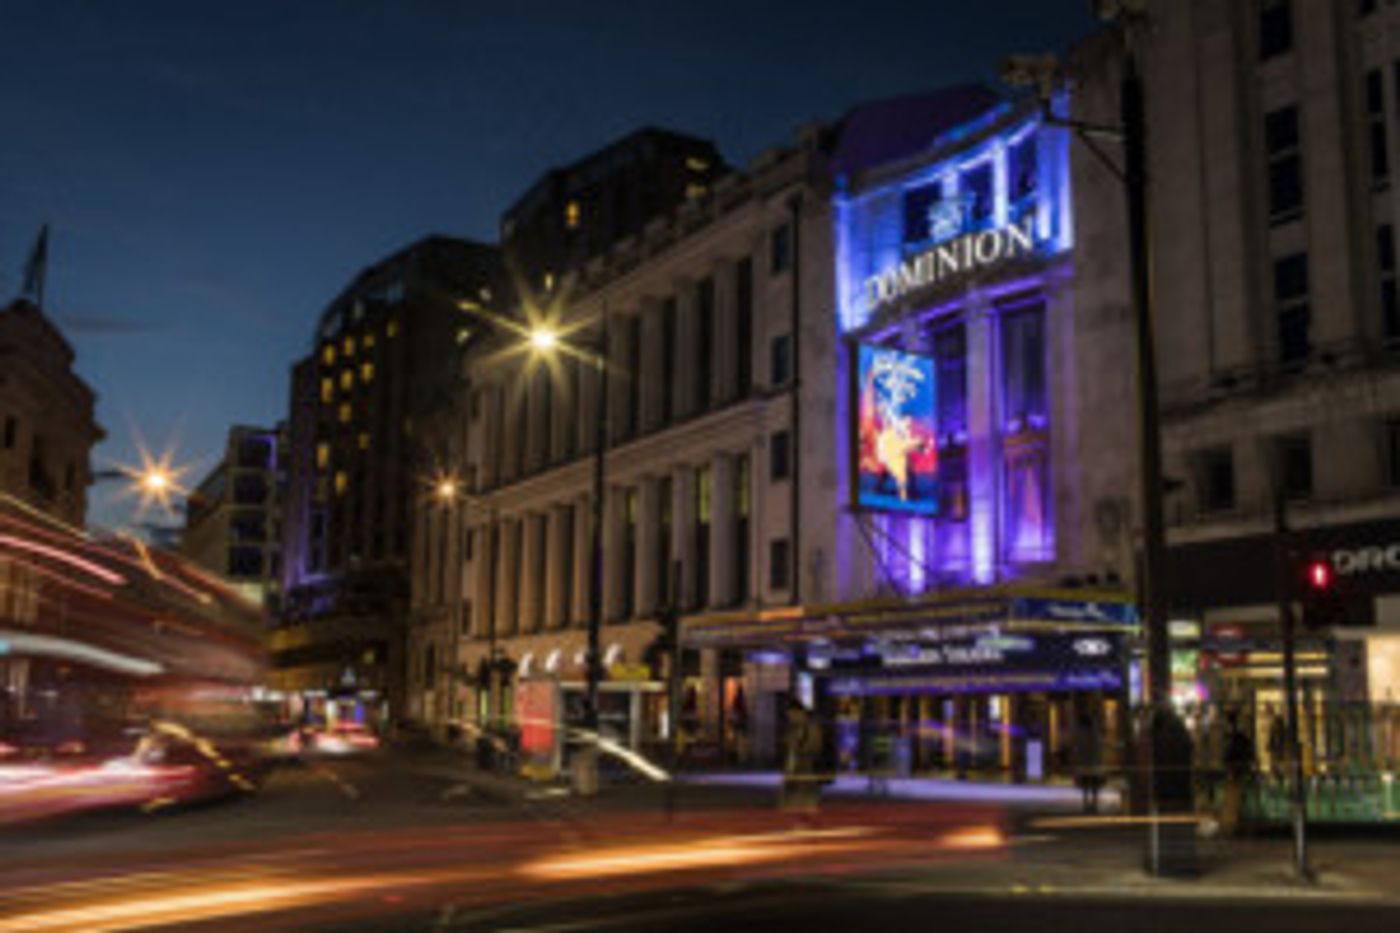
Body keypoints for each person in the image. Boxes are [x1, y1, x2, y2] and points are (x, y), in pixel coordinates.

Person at [782, 700, 823, 817]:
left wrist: (799, 748)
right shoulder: (793, 730)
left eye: (792, 715)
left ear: (800, 713)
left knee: (806, 809)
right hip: (792, 775)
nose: (790, 718)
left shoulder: (811, 729)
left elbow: (814, 748)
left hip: (806, 775)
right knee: (791, 810)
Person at [1221, 711, 1255, 836]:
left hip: (1235, 770)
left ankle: (1232, 825)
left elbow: (1231, 754)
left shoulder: (1235, 738)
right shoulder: (1238, 738)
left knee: (1233, 799)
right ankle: (1234, 824)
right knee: (1236, 798)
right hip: (1237, 770)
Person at [1073, 712, 1104, 814]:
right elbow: (1098, 748)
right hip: (1094, 763)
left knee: (1086, 784)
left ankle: (1086, 804)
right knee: (1094, 784)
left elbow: (1079, 749)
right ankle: (1094, 804)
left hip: (1085, 763)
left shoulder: (1081, 734)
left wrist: (1078, 760)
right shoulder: (1095, 733)